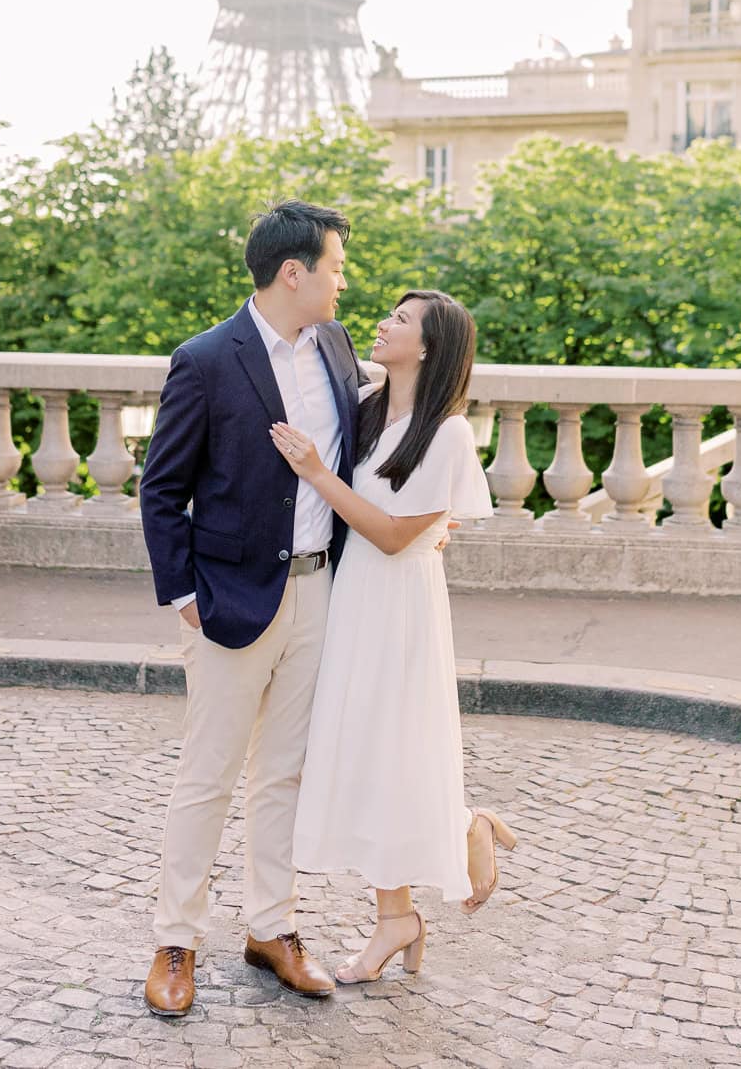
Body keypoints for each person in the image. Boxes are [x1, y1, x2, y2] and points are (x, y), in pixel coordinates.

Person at [138, 200, 362, 1018]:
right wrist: (188, 597)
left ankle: (273, 927)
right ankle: (177, 938)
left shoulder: (337, 346)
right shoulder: (204, 359)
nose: (344, 280)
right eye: (336, 266)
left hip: (318, 591)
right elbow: (161, 489)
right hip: (230, 601)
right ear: (293, 272)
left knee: (286, 775)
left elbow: (362, 456)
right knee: (209, 775)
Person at [270, 288, 517, 984]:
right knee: (367, 753)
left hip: (401, 604)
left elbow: (391, 533)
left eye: (401, 320)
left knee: (395, 748)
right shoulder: (368, 408)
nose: (384, 322)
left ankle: (415, 890)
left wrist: (315, 471)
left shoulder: (448, 431)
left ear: (430, 347)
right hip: (355, 597)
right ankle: (410, 896)